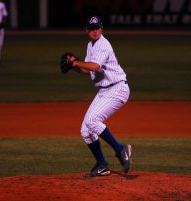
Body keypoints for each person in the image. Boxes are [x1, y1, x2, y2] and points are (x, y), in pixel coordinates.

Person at [69, 16, 132, 177]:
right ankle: (102, 165)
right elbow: (87, 69)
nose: (95, 31)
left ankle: (120, 149)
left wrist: (75, 62)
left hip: (117, 89)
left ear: (102, 29)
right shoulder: (91, 45)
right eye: (91, 29)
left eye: (97, 28)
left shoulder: (103, 44)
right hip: (105, 90)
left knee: (92, 121)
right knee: (85, 130)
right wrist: (73, 66)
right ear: (87, 30)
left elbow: (95, 66)